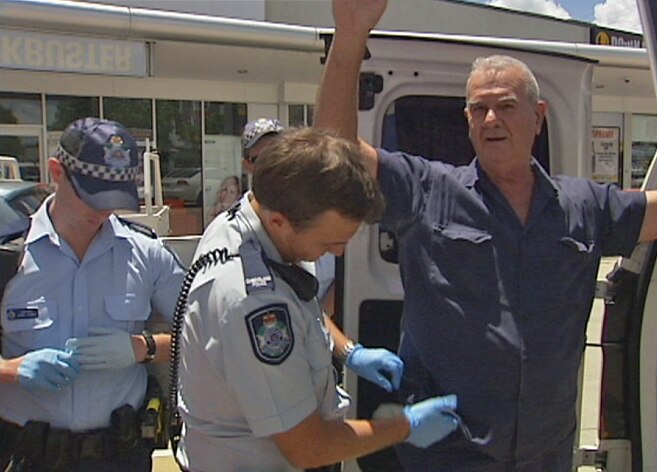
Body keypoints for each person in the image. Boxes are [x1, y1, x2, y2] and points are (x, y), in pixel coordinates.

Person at [314, 1, 657, 471]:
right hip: (447, 454)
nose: (491, 120)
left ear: (538, 116)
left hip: (544, 456)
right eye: (479, 109)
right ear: (467, 121)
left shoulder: (585, 207)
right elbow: (335, 155)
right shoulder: (428, 191)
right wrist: (350, 36)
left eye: (506, 106)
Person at [176, 126, 460, 471]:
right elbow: (308, 447)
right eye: (328, 244)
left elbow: (299, 301)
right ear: (280, 221)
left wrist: (348, 351)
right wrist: (403, 426)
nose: (338, 253)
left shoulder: (247, 220)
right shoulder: (254, 302)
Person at [0, 117, 185, 471]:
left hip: (119, 454)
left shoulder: (146, 254)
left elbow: (206, 335)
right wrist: (10, 369)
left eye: (114, 197)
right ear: (57, 172)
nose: (103, 209)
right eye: (92, 194)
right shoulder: (10, 257)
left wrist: (142, 347)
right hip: (27, 455)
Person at [242, 118, 338, 313]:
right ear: (247, 165)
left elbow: (344, 271)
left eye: (277, 154)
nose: (272, 164)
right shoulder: (238, 228)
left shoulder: (323, 207)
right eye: (260, 159)